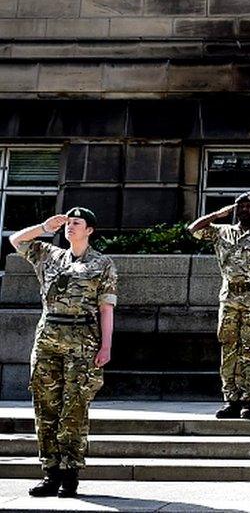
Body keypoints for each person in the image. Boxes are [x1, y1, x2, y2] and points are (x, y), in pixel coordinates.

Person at [10, 207, 117, 498]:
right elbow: (17, 241)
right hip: (48, 337)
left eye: (77, 223)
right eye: (68, 223)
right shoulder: (49, 255)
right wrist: (44, 226)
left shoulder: (102, 263)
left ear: (90, 230)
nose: (70, 227)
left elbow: (106, 307)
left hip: (82, 339)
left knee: (74, 408)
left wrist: (106, 346)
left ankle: (70, 475)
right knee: (45, 407)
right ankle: (50, 473)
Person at [189, 191, 250, 420]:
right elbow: (193, 229)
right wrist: (220, 213)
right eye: (242, 207)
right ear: (236, 209)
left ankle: (247, 402)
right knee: (228, 348)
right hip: (229, 297)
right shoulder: (222, 232)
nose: (246, 210)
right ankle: (230, 400)